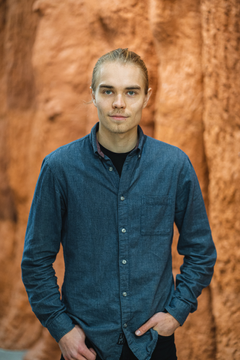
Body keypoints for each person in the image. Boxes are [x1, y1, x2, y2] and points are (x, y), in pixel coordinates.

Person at [21, 48, 216, 360]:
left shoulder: (174, 165)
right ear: (93, 95)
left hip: (154, 346)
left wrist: (176, 313)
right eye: (108, 90)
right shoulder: (60, 168)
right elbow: (35, 261)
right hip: (85, 347)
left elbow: (201, 251)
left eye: (131, 91)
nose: (119, 103)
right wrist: (62, 329)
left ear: (147, 97)